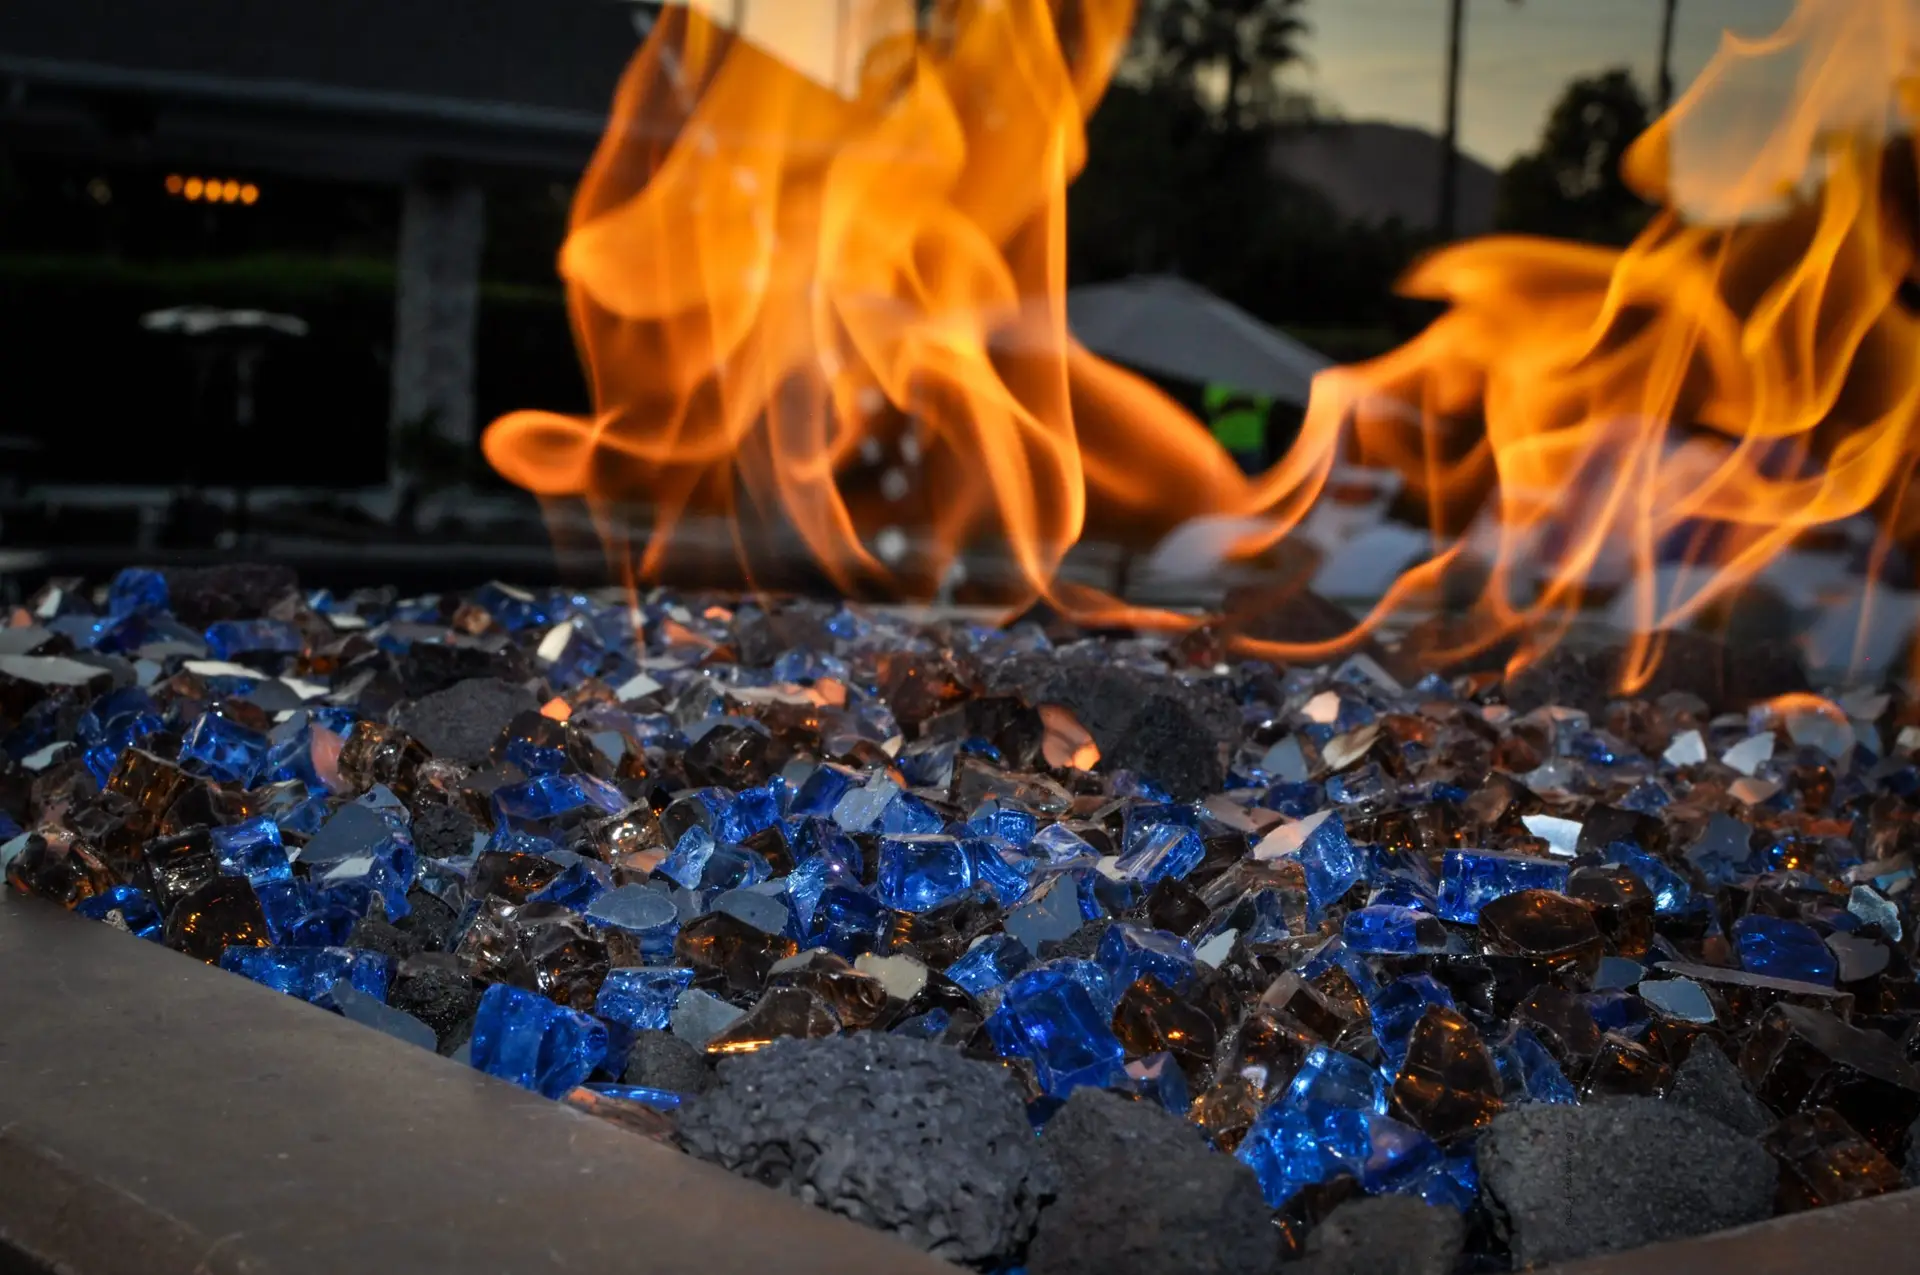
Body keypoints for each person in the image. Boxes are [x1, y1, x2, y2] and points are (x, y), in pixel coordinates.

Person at [1203, 382, 1273, 475]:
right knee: (1221, 487)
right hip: (1223, 446)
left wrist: (1231, 402)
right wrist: (1246, 401)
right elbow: (1212, 403)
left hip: (1250, 445)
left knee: (1252, 486)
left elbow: (1264, 403)